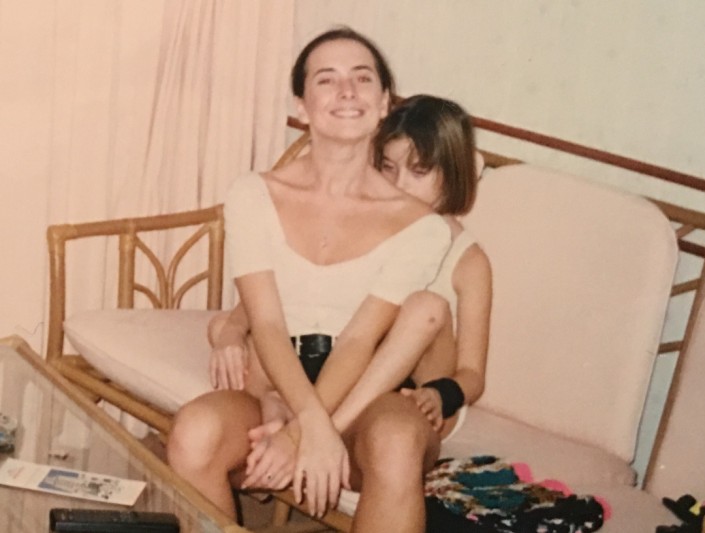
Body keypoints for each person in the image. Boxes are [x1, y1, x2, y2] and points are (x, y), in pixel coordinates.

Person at [166, 28, 452, 531]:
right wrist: (302, 422)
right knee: (195, 432)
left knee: (397, 441)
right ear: (301, 105)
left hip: (367, 399)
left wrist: (302, 434)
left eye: (362, 78)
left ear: (384, 103)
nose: (347, 91)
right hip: (278, 385)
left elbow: (359, 339)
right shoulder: (252, 195)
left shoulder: (421, 227)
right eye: (326, 79)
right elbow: (268, 325)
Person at [203, 93, 492, 530]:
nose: (400, 184)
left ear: (451, 174)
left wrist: (441, 394)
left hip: (414, 390)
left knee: (424, 307)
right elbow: (273, 298)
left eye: (419, 172)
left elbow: (472, 374)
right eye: (388, 167)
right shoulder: (371, 224)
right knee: (240, 330)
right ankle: (290, 418)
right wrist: (229, 331)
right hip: (351, 376)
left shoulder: (469, 260)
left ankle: (302, 431)